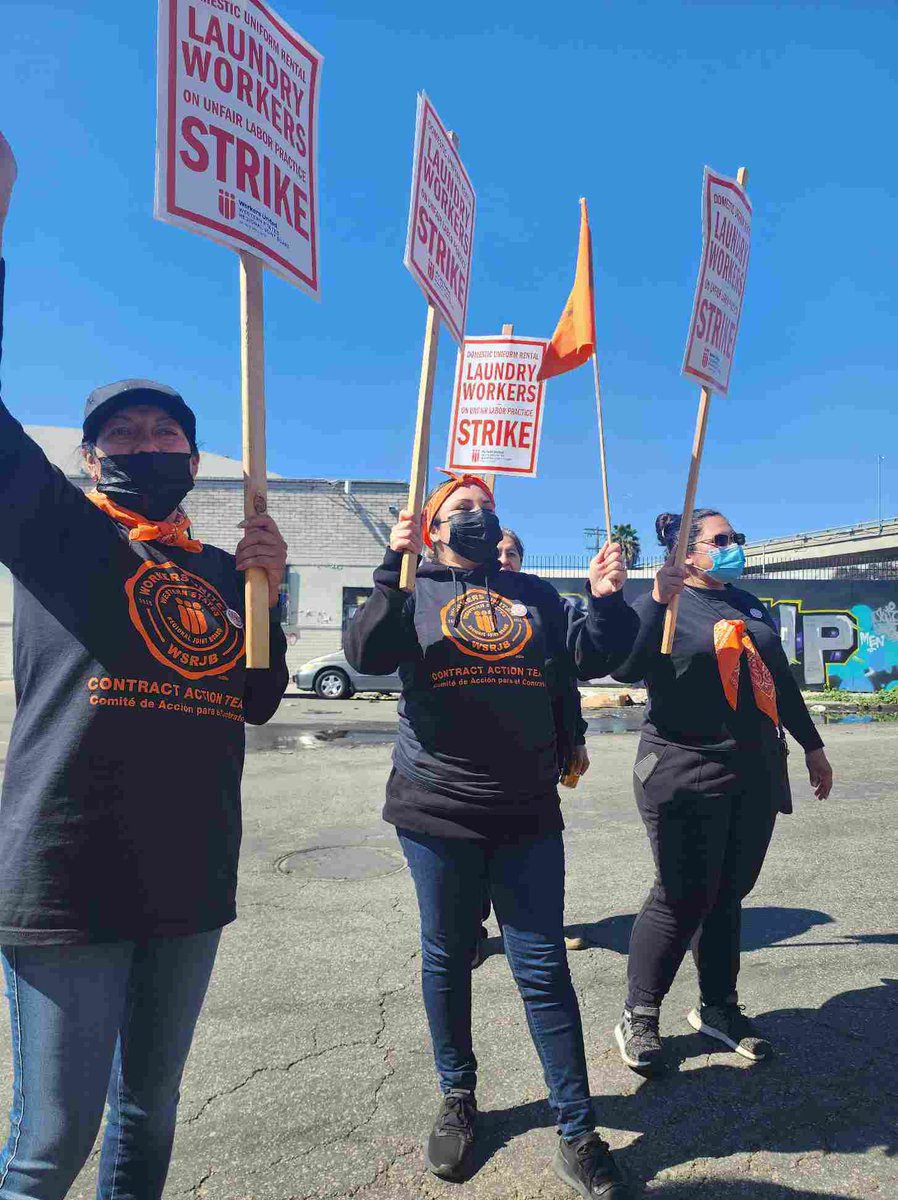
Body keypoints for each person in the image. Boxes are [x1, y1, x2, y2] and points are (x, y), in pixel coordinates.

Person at [0, 131, 289, 1199]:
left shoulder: (222, 565)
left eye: (165, 429)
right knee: (49, 1141)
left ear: (191, 456)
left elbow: (254, 699)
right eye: (121, 429)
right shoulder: (57, 535)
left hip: (188, 873)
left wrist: (271, 588)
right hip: (65, 874)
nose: (144, 439)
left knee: (149, 1112)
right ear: (89, 458)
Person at [346, 471, 638, 1199]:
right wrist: (393, 565)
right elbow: (368, 653)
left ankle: (578, 1129)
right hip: (436, 808)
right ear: (435, 526)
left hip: (526, 810)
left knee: (542, 969)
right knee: (447, 957)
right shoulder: (414, 585)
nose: (477, 517)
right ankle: (458, 1095)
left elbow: (591, 659)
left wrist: (606, 603)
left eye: (487, 507)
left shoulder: (532, 594)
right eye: (461, 508)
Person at [611, 508, 833, 1076]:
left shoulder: (747, 604)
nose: (733, 546)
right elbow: (625, 667)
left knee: (728, 892)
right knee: (681, 894)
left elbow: (778, 681)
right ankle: (639, 1014)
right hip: (683, 769)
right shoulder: (665, 603)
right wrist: (655, 602)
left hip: (753, 772)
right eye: (721, 540)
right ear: (687, 552)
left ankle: (719, 1008)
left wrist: (811, 745)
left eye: (737, 537)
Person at [497, 527, 590, 955]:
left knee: (534, 851)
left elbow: (565, 680)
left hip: (540, 751)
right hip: (475, 758)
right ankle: (473, 932)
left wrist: (577, 740)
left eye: (512, 552)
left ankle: (544, 929)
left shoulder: (538, 606)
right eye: (498, 550)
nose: (504, 558)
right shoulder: (459, 602)